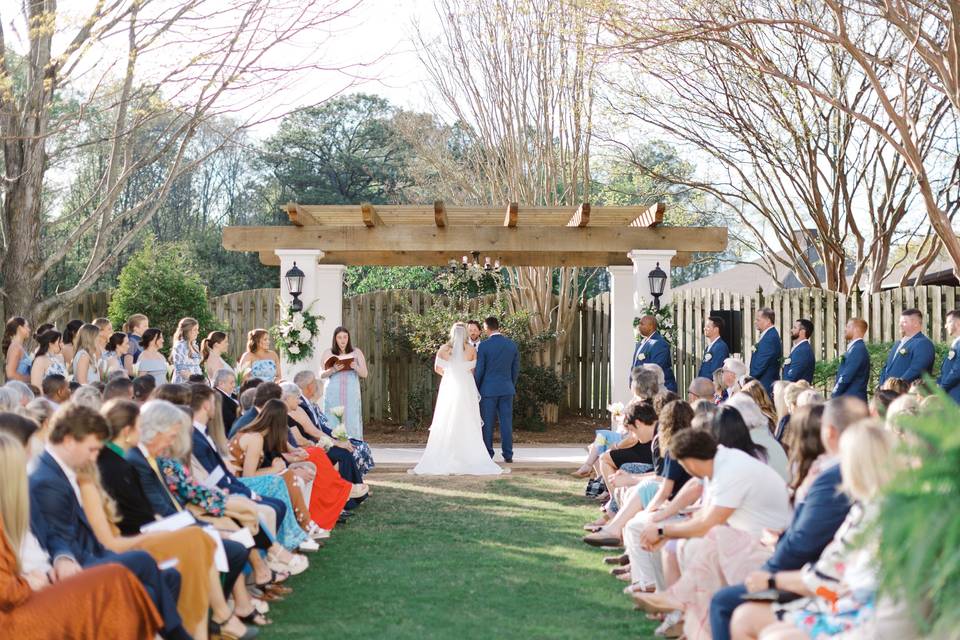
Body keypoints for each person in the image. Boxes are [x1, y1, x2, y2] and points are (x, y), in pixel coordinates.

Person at [730, 420, 915, 640]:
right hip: (845, 601)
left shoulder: (875, 511)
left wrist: (771, 580)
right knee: (751, 619)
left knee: (762, 627)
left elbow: (827, 576)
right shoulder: (872, 506)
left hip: (859, 612)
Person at [27, 402, 192, 640]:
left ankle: (167, 633)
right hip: (79, 566)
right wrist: (71, 558)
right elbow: (60, 538)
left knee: (169, 577)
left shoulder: (59, 470)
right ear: (70, 440)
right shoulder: (48, 480)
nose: (96, 456)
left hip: (89, 557)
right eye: (92, 449)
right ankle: (177, 634)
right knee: (144, 561)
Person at [708, 396, 868, 640]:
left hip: (821, 580)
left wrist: (770, 575)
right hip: (821, 572)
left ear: (830, 432)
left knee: (723, 603)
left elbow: (805, 543)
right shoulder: (839, 471)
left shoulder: (832, 476)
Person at [0, 431, 165, 639]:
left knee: (120, 580)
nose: (28, 473)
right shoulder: (40, 487)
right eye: (23, 467)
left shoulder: (19, 502)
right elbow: (6, 590)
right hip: (16, 616)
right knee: (117, 579)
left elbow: (52, 536)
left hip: (43, 580)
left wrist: (62, 558)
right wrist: (28, 583)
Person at [631, 428, 792, 640]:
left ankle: (686, 610)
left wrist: (663, 530)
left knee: (700, 543)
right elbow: (706, 517)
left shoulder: (731, 470)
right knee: (690, 545)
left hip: (772, 550)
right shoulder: (722, 463)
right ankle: (694, 624)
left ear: (690, 462)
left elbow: (709, 523)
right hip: (752, 542)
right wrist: (668, 534)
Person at [411, 323, 506, 475]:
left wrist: (450, 375)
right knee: (467, 417)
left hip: (449, 386)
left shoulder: (443, 349)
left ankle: (445, 453)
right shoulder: (471, 350)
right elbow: (474, 370)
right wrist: (462, 374)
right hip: (466, 387)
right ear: (465, 334)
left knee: (447, 416)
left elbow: (437, 368)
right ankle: (469, 454)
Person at [474, 316, 520, 462]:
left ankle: (488, 454)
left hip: (488, 390)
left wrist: (475, 387)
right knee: (506, 423)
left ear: (487, 328)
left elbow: (480, 370)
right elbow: (515, 370)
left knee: (487, 423)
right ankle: (508, 455)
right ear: (498, 326)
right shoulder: (512, 345)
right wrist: (510, 384)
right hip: (507, 389)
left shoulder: (484, 346)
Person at [320, 326, 368, 440]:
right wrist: (333, 370)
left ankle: (353, 445)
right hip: (333, 392)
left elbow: (365, 374)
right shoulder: (329, 352)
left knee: (351, 417)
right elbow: (321, 374)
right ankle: (333, 446)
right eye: (339, 337)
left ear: (348, 338)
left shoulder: (356, 352)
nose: (342, 340)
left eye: (345, 337)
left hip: (351, 393)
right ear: (335, 339)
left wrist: (355, 366)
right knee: (333, 418)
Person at [878, 308, 935, 386]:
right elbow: (886, 367)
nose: (900, 324)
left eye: (904, 322)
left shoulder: (924, 343)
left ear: (915, 323)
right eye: (900, 322)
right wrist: (882, 385)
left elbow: (916, 369)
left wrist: (896, 385)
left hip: (907, 392)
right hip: (888, 392)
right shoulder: (898, 344)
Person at [631, 315, 677, 392]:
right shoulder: (640, 343)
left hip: (659, 391)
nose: (639, 326)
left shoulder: (659, 344)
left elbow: (656, 368)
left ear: (651, 326)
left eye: (642, 324)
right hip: (643, 389)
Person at [833, 318, 870, 402]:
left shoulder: (857, 349)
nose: (845, 329)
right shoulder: (856, 348)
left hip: (852, 400)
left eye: (848, 326)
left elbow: (847, 376)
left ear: (856, 329)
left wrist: (835, 394)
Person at [749, 308, 782, 396]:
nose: (755, 322)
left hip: (765, 385)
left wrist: (748, 380)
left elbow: (760, 365)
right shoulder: (769, 335)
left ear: (768, 321)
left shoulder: (769, 338)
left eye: (758, 319)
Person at [937, 309, 960, 403]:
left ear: (958, 323)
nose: (945, 326)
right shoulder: (956, 343)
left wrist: (942, 386)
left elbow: (957, 371)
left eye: (948, 322)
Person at [782, 318, 815, 383]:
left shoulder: (802, 351)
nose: (791, 330)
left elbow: (790, 379)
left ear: (802, 332)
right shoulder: (800, 348)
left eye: (794, 328)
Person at [170, 318, 202, 384]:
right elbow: (182, 370)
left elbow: (197, 367)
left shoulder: (195, 346)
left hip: (196, 384)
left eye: (197, 329)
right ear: (187, 330)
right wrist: (196, 381)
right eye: (195, 329)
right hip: (184, 384)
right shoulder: (180, 346)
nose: (198, 332)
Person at [698, 315, 730, 380]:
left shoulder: (721, 347)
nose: (704, 328)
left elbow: (715, 370)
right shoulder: (709, 347)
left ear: (716, 329)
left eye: (708, 327)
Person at [4, 316, 33, 383]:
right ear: (20, 328)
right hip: (16, 391)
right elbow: (10, 374)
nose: (29, 330)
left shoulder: (18, 346)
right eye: (27, 326)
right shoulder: (15, 347)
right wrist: (32, 378)